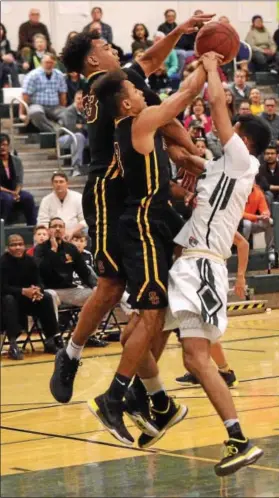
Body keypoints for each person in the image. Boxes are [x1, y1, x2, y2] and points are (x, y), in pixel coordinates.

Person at [49, 17, 213, 408]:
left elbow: (151, 62)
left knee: (162, 289)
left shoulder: (116, 81)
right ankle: (71, 354)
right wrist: (188, 151)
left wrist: (179, 30)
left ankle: (148, 387)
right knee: (112, 287)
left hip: (140, 194)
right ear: (92, 61)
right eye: (105, 47)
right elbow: (169, 116)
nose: (113, 49)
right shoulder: (110, 89)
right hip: (110, 193)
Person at [85, 49, 216, 447]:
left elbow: (162, 172)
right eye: (137, 91)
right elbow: (183, 97)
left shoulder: (137, 128)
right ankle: (116, 397)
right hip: (141, 225)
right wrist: (207, 65)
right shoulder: (137, 122)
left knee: (150, 318)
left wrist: (185, 158)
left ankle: (153, 398)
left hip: (154, 219)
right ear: (126, 103)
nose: (144, 94)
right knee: (152, 315)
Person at [168, 53, 271, 476]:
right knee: (186, 355)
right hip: (190, 262)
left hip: (204, 265)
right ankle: (153, 401)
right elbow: (183, 152)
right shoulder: (223, 168)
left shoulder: (242, 161)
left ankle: (238, 437)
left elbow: (216, 109)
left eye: (231, 133)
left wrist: (211, 67)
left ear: (242, 140)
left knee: (196, 358)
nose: (219, 136)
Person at [175, 231, 249, 387]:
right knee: (192, 327)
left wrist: (241, 276)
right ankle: (201, 370)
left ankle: (225, 372)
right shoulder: (192, 221)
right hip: (193, 276)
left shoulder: (217, 221)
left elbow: (243, 243)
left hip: (210, 278)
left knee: (205, 327)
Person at [1, 234, 62, 360]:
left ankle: (51, 339)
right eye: (13, 245)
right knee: (9, 300)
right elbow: (2, 288)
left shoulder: (30, 261)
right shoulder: (3, 262)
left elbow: (39, 281)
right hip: (7, 301)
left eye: (20, 244)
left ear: (24, 246)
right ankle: (13, 344)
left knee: (46, 297)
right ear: (8, 248)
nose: (17, 247)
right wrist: (23, 291)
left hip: (27, 299)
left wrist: (38, 290)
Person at [34, 217, 96, 307]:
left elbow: (83, 271)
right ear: (48, 230)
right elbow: (41, 270)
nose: (58, 228)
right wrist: (53, 250)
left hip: (69, 291)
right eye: (54, 226)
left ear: (64, 230)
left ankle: (97, 321)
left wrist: (93, 286)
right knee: (50, 297)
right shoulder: (40, 249)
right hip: (49, 290)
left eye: (60, 226)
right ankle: (53, 321)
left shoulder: (71, 248)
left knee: (97, 295)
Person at [21, 53, 67, 132]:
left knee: (68, 113)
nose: (49, 65)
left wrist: (63, 107)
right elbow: (25, 95)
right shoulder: (32, 75)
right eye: (47, 62)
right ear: (41, 63)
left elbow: (62, 94)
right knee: (35, 113)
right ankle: (56, 131)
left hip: (54, 107)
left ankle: (58, 131)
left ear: (55, 63)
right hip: (37, 105)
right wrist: (22, 113)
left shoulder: (59, 75)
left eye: (51, 63)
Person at [0, 133, 37, 225]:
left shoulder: (17, 160)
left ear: (8, 145)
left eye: (4, 145)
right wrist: (12, 193)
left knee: (28, 197)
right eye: (0, 145)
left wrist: (16, 192)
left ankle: (32, 227)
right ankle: (4, 227)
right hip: (2, 191)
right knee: (7, 199)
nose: (2, 147)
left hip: (14, 191)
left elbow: (19, 181)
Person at [37, 172, 86, 239]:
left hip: (75, 234)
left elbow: (84, 220)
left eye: (61, 182)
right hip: (52, 235)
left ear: (67, 183)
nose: (58, 184)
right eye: (56, 182)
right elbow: (42, 222)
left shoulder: (78, 197)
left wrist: (71, 231)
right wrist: (52, 234)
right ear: (52, 184)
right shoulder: (46, 200)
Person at [241, 183, 275, 261]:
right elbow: (240, 213)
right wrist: (257, 217)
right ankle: (243, 251)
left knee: (269, 222)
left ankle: (270, 250)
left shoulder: (258, 192)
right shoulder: (238, 192)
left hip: (253, 221)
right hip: (238, 225)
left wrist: (265, 214)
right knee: (247, 224)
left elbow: (264, 209)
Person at [59, 90, 88, 175]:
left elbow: (92, 127)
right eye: (78, 99)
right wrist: (85, 127)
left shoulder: (89, 111)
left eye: (83, 99)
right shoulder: (69, 111)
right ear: (74, 100)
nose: (80, 101)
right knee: (78, 136)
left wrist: (81, 126)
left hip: (84, 137)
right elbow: (71, 128)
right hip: (64, 137)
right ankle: (76, 168)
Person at [0, 23, 20, 87]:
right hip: (1, 63)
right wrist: (2, 57)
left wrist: (10, 57)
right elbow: (3, 57)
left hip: (5, 63)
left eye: (1, 29)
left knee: (14, 64)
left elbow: (8, 52)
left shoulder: (6, 42)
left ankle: (16, 87)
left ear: (3, 31)